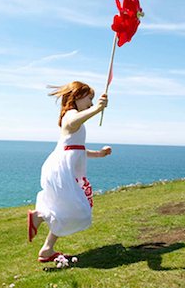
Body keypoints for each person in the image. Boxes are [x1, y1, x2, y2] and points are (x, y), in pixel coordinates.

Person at [27, 81, 112, 262]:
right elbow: (74, 122)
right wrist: (97, 109)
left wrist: (99, 154)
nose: (91, 102)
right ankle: (39, 216)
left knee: (68, 209)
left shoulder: (75, 120)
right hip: (61, 171)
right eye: (89, 98)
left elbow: (78, 150)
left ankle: (47, 249)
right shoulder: (70, 115)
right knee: (77, 210)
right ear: (77, 97)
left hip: (64, 170)